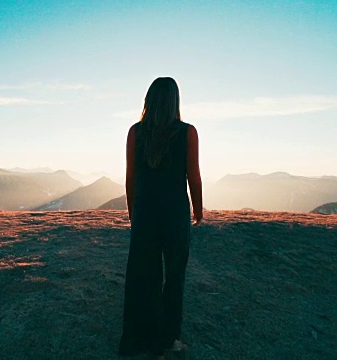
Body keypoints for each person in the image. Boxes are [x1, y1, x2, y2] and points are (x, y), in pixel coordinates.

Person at [118, 77, 203, 359]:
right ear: (174, 101)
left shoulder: (135, 132)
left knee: (143, 276)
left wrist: (134, 213)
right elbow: (193, 176)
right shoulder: (187, 132)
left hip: (145, 213)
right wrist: (198, 210)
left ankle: (139, 338)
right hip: (175, 213)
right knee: (174, 276)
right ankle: (169, 339)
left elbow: (130, 178)